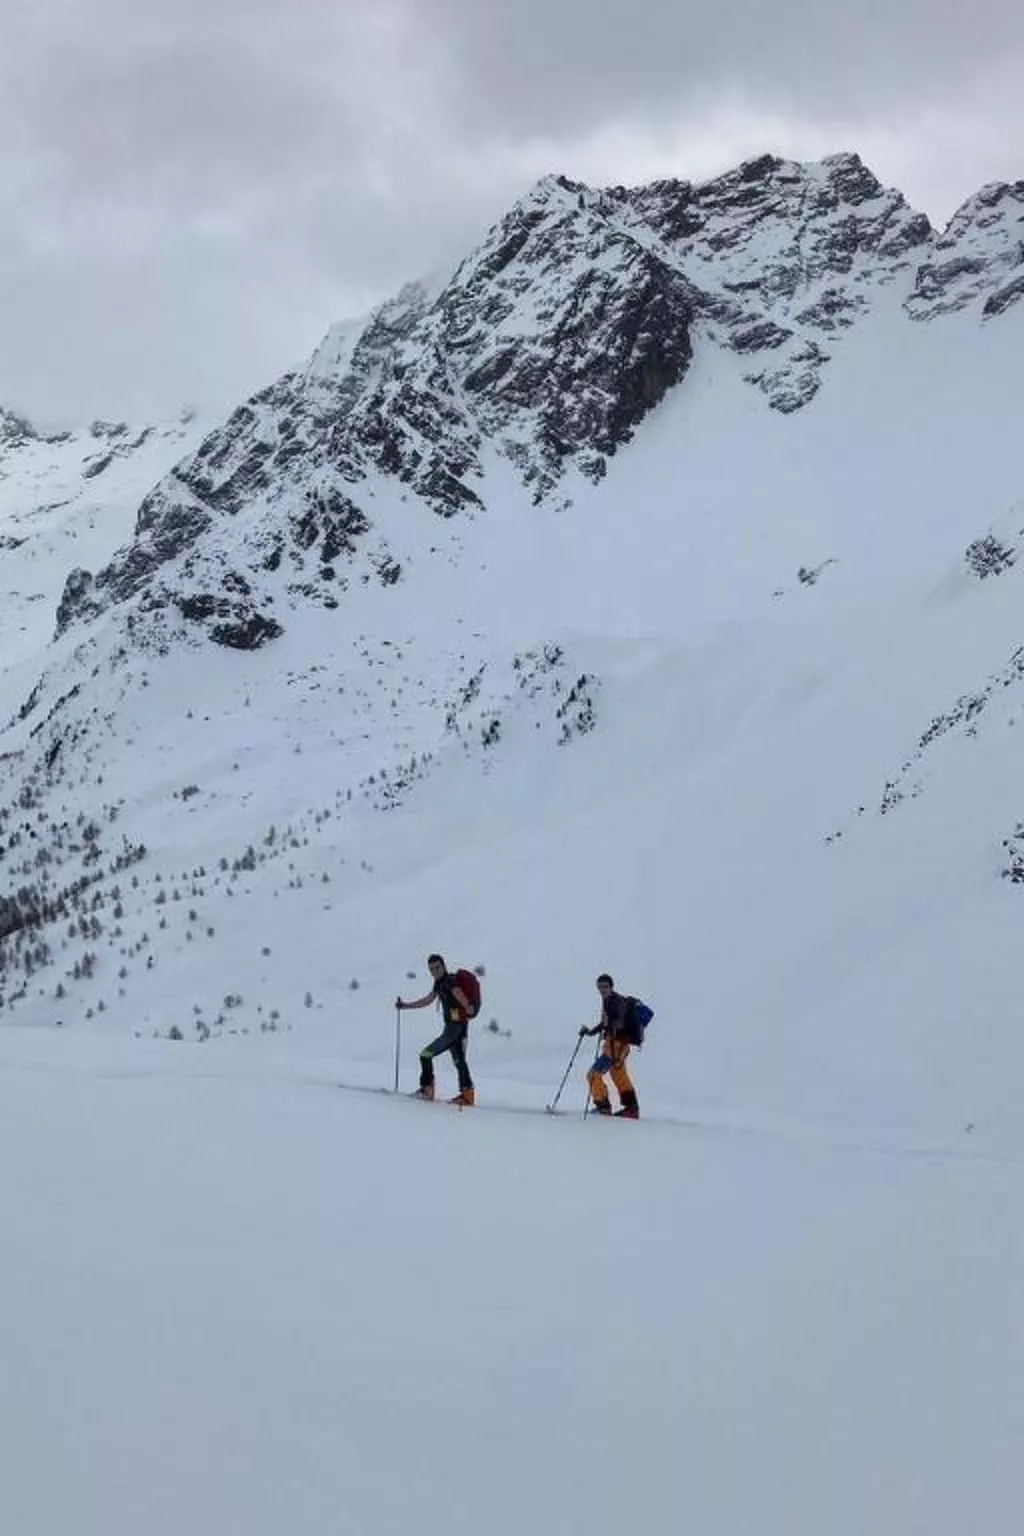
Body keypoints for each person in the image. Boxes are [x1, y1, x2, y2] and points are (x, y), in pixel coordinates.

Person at [396, 954, 476, 1106]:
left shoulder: (449, 982)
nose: (435, 971)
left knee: (426, 1055)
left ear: (444, 966)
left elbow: (458, 993)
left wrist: (468, 1007)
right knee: (459, 1061)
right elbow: (427, 1000)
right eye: (432, 969)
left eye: (437, 968)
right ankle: (467, 1095)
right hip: (456, 1028)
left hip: (455, 1029)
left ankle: (427, 1091)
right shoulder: (439, 984)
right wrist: (406, 1006)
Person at [579, 973, 640, 1118]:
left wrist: (612, 1026)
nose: (602, 990)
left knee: (593, 1075)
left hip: (616, 1047)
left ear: (611, 987)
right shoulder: (608, 1000)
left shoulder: (616, 1001)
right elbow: (605, 1024)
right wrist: (591, 1032)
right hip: (617, 1045)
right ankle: (631, 1109)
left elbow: (618, 1021)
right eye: (599, 987)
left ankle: (603, 1107)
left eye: (605, 986)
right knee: (619, 1076)